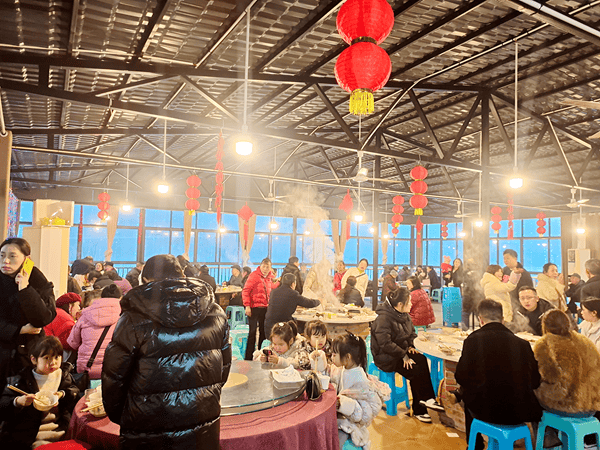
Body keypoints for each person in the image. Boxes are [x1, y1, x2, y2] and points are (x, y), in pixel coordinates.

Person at [102, 254, 231, 449]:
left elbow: (114, 379)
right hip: (202, 424)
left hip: (147, 428)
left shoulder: (133, 318)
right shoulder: (215, 313)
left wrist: (127, 415)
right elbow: (223, 368)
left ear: (146, 280)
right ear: (182, 275)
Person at [455, 299, 542, 450]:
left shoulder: (473, 340)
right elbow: (535, 381)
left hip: (486, 411)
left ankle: (475, 445)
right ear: (502, 320)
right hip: (521, 411)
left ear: (480, 319)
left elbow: (461, 376)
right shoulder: (523, 344)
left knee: (468, 392)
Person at [370, 288, 443, 423]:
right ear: (399, 305)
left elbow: (411, 334)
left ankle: (428, 398)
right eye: (408, 302)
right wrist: (404, 354)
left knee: (421, 359)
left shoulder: (404, 315)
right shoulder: (383, 318)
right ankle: (419, 409)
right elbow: (385, 344)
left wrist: (411, 346)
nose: (411, 304)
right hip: (385, 356)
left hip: (400, 351)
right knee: (414, 370)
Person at [533, 309, 600, 449]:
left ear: (545, 325)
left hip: (568, 407)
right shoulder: (585, 341)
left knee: (531, 393)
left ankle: (548, 436)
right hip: (593, 405)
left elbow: (547, 378)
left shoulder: (545, 344)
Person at [0, 336, 79, 449]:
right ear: (34, 360)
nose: (53, 362)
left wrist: (63, 394)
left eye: (57, 357)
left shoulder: (63, 375)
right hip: (32, 433)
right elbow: (3, 405)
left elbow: (75, 391)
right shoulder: (21, 380)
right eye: (46, 358)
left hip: (60, 428)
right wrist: (18, 401)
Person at [0, 237, 56, 384]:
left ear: (27, 259)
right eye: (2, 255)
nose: (6, 261)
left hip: (31, 355)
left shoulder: (39, 281)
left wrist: (25, 288)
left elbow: (43, 318)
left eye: (12, 256)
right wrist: (19, 330)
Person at [327, 333, 387, 450]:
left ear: (347, 357)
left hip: (352, 427)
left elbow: (365, 414)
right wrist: (319, 360)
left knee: (333, 444)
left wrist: (343, 404)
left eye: (334, 355)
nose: (332, 357)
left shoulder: (360, 380)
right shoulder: (344, 368)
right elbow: (331, 373)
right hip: (341, 419)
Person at [67, 284, 122, 380]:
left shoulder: (85, 315)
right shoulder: (124, 317)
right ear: (120, 298)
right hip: (112, 369)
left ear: (102, 297)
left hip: (86, 369)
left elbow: (73, 343)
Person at [243, 258, 275, 360]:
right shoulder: (254, 276)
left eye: (267, 267)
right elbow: (246, 291)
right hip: (254, 307)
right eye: (263, 266)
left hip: (265, 308)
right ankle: (248, 357)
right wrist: (247, 306)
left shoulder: (270, 278)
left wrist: (280, 282)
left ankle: (261, 355)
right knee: (252, 332)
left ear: (270, 268)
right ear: (260, 266)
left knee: (263, 332)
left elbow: (272, 287)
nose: (265, 269)